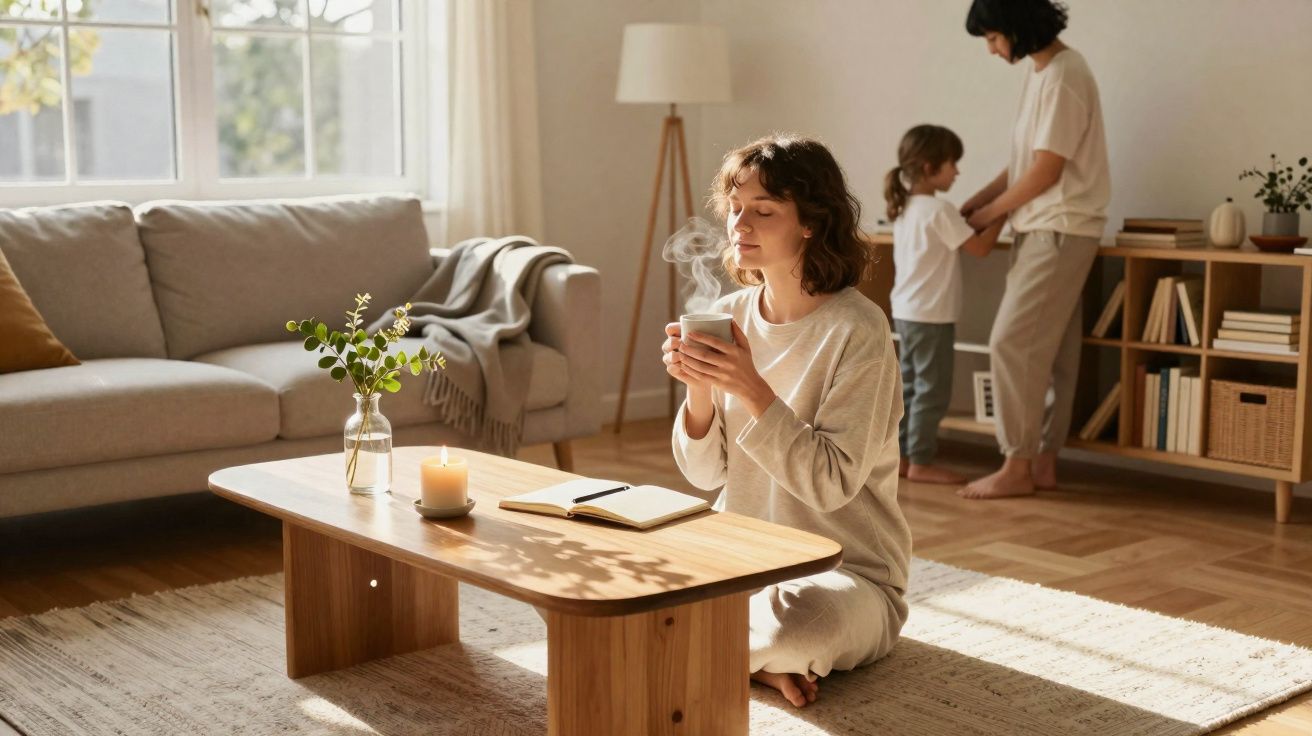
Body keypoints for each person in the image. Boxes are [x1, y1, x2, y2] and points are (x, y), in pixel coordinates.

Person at [663, 134, 911, 708]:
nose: (739, 224)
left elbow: (831, 485)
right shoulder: (727, 316)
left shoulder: (858, 330)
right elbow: (705, 477)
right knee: (628, 576)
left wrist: (750, 387)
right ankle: (757, 662)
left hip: (847, 575)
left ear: (810, 224)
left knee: (801, 625)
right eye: (735, 209)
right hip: (742, 562)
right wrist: (700, 389)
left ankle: (731, 645)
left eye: (764, 211)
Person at [957, 0, 1111, 499]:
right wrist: (982, 199)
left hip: (1059, 230)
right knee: (1053, 353)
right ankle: (1042, 462)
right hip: (1045, 229)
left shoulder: (1066, 75)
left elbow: (1048, 173)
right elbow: (1026, 161)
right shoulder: (1042, 74)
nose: (992, 49)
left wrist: (988, 216)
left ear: (1019, 29)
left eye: (995, 37)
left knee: (1011, 344)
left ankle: (1016, 465)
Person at [885, 124, 1006, 484]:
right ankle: (921, 461)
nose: (957, 172)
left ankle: (904, 458)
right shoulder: (939, 210)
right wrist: (1003, 212)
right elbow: (980, 248)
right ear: (928, 167)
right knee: (932, 389)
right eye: (952, 164)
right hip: (931, 315)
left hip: (906, 312)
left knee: (909, 387)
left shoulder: (906, 208)